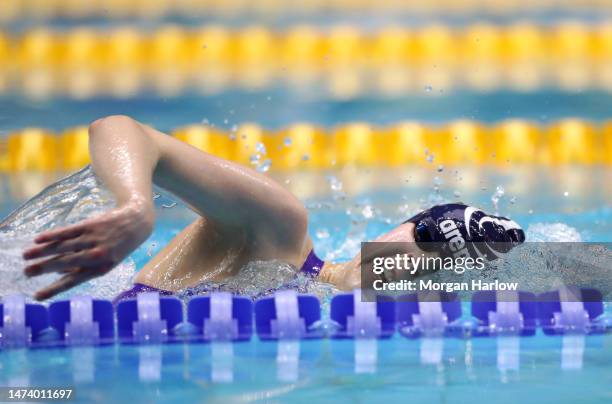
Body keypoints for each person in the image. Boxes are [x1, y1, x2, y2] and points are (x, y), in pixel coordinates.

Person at [21, 115, 525, 302]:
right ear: (393, 235)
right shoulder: (279, 228)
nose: (414, 272)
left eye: (440, 268)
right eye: (429, 245)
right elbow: (118, 128)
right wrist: (135, 206)